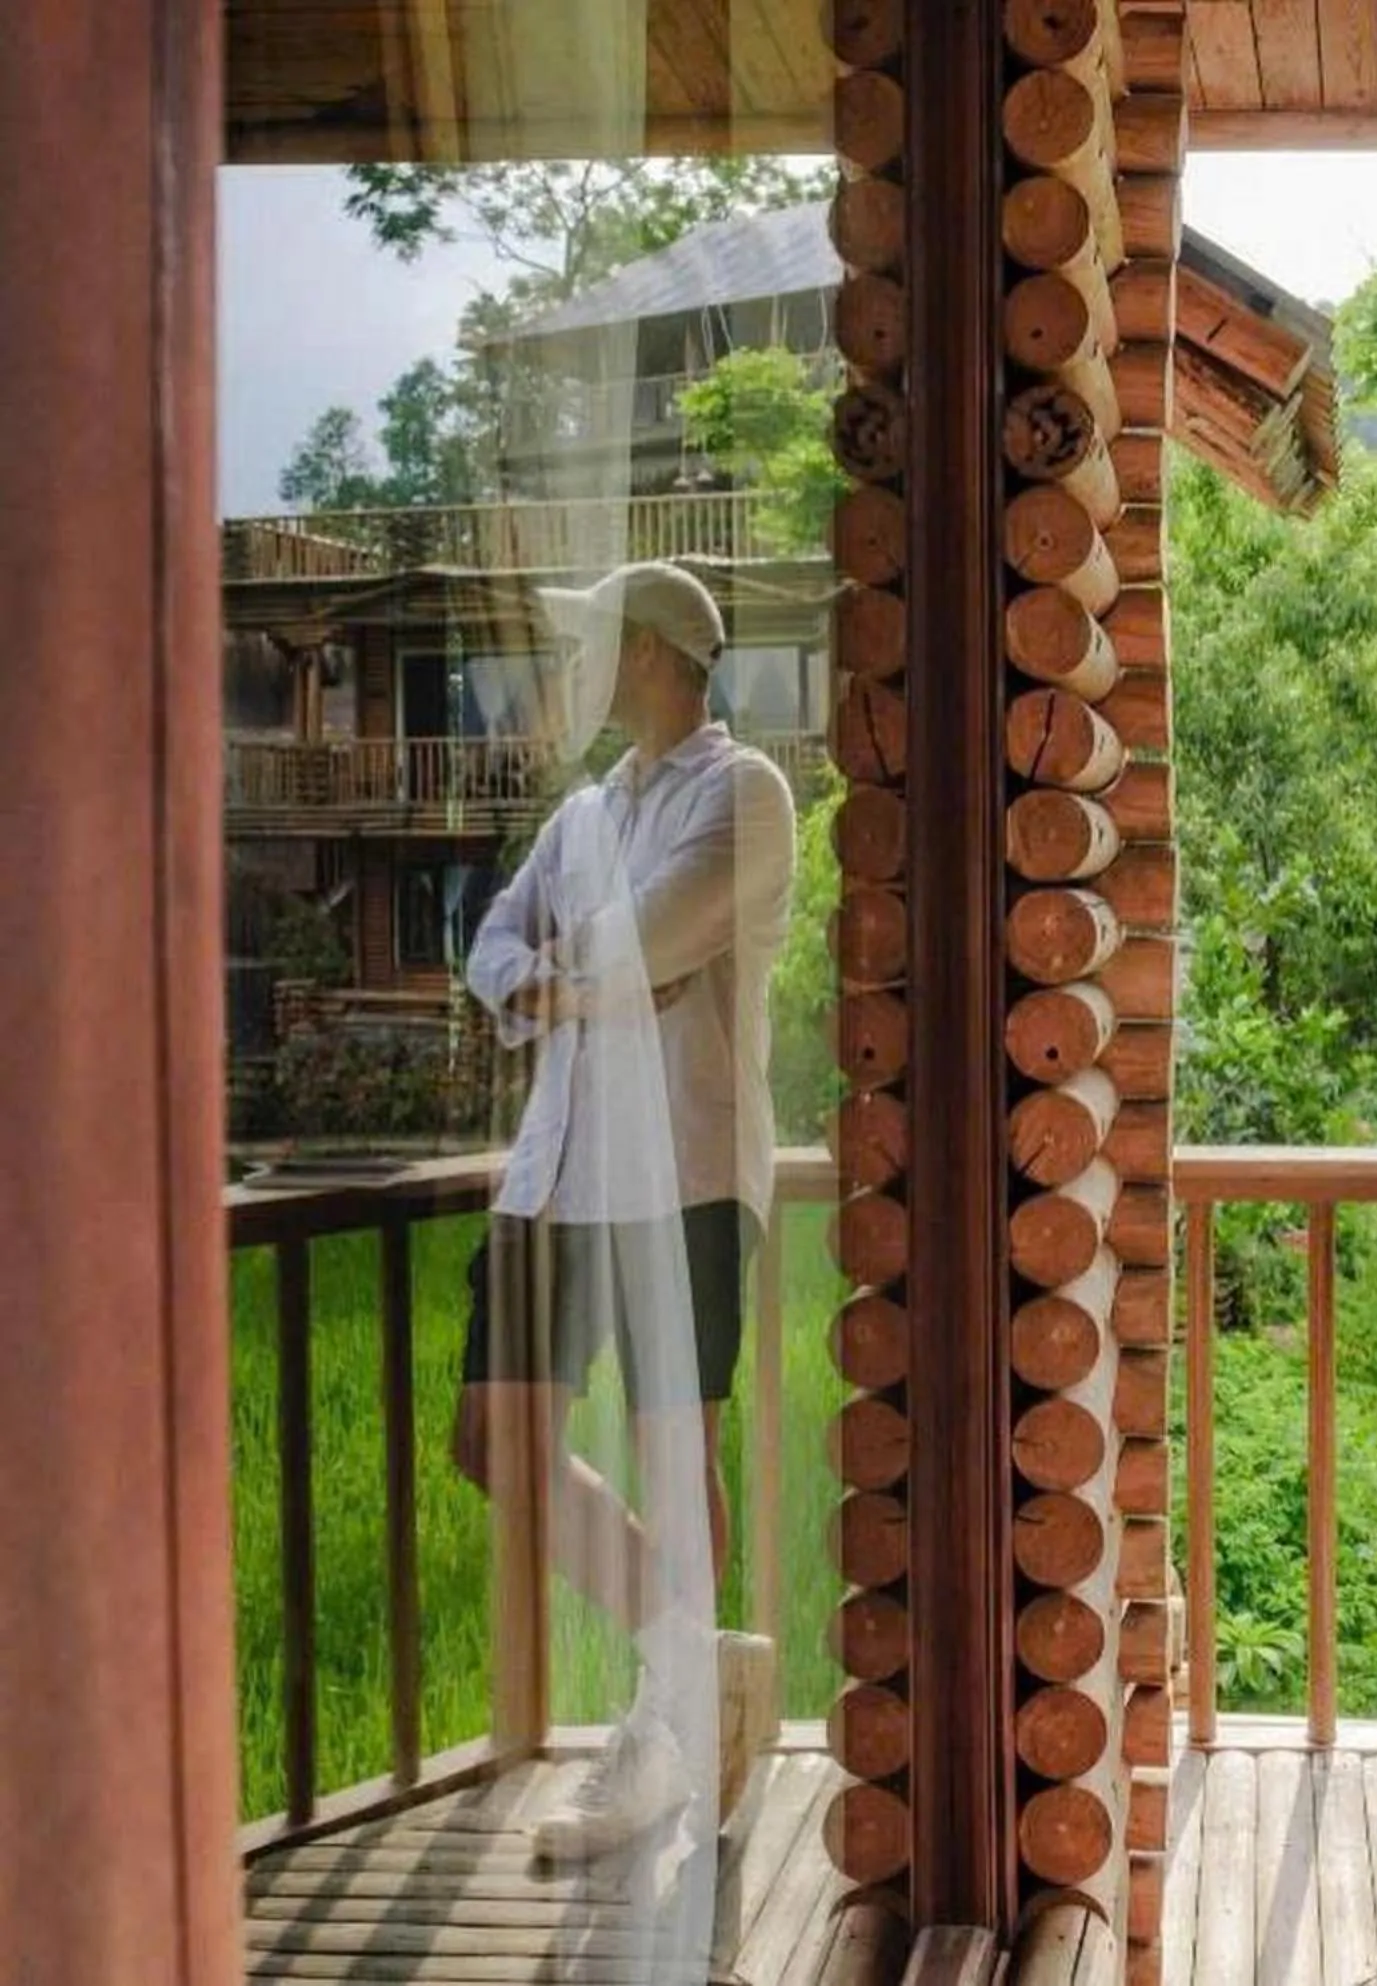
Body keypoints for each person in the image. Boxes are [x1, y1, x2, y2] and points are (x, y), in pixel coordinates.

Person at [454, 561, 798, 1860]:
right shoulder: (586, 809)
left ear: (653, 651)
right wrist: (564, 976)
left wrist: (577, 971)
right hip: (552, 1171)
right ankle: (695, 1669)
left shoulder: (744, 792)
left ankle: (664, 1724)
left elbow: (640, 945)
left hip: (680, 1175)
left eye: (596, 641)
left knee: (672, 1446)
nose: (579, 665)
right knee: (495, 1438)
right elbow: (495, 944)